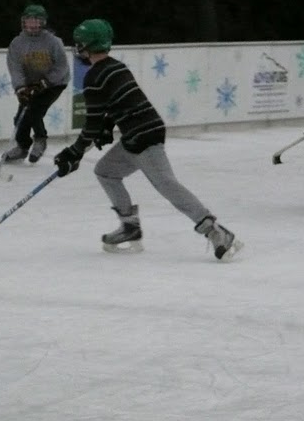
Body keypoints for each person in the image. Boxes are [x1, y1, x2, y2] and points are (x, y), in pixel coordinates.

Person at [53, 18, 243, 261]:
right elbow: (119, 104)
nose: (77, 48)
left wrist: (73, 152)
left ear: (87, 46)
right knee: (106, 172)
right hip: (137, 134)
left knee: (165, 184)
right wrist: (107, 126)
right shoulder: (117, 67)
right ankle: (130, 227)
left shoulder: (94, 77)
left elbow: (92, 124)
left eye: (79, 43)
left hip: (143, 135)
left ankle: (215, 231)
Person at [4, 4, 71, 163]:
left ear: (43, 23)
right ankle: (22, 146)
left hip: (55, 83)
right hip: (30, 83)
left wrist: (45, 83)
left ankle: (40, 140)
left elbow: (61, 67)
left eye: (36, 21)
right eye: (29, 21)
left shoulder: (53, 42)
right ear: (23, 22)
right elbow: (15, 68)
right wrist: (20, 88)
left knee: (34, 111)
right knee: (20, 117)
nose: (32, 25)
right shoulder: (17, 43)